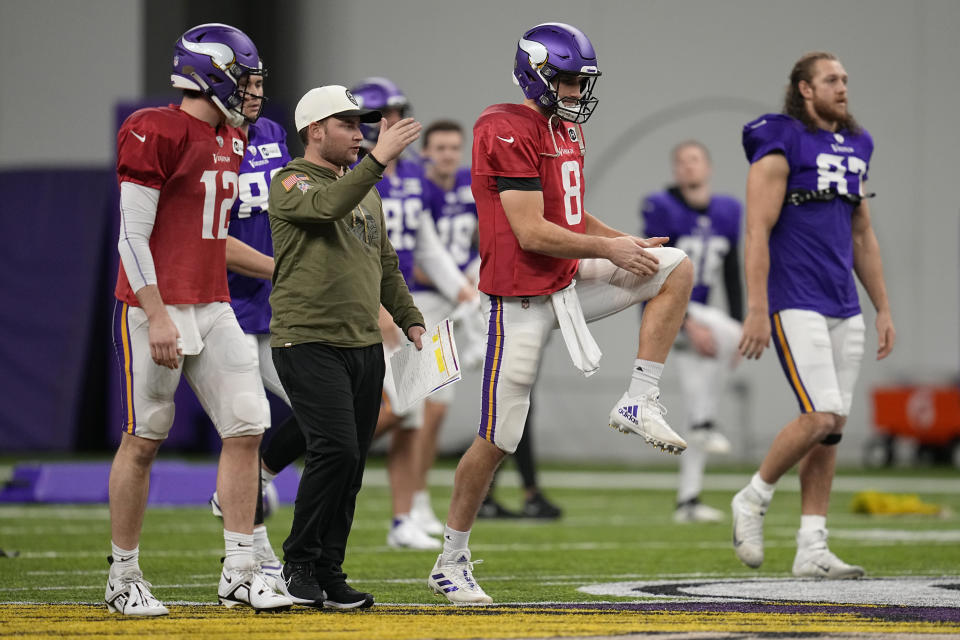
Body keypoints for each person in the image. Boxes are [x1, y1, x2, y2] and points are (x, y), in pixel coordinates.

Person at [426, 22, 694, 604]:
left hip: (565, 283)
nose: (574, 91)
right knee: (499, 438)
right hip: (518, 298)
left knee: (673, 265)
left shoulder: (563, 130)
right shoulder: (502, 127)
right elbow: (530, 231)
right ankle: (451, 559)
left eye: (580, 81)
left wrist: (626, 241)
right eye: (566, 80)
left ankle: (639, 397)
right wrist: (610, 250)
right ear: (537, 74)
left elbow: (571, 213)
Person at [107, 23, 292, 615]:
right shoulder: (152, 128)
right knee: (144, 440)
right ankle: (123, 576)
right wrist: (157, 314)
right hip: (152, 306)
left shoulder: (232, 137)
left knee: (247, 424)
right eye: (243, 78)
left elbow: (212, 237)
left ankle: (241, 567)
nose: (251, 91)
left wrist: (276, 269)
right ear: (210, 74)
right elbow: (131, 237)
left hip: (213, 304)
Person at [732, 51, 895, 578]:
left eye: (846, 78)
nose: (843, 87)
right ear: (804, 88)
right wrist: (757, 306)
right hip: (794, 296)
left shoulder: (857, 144)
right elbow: (756, 228)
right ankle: (753, 498)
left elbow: (863, 233)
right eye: (831, 79)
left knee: (832, 430)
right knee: (820, 412)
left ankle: (812, 546)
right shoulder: (780, 137)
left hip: (843, 302)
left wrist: (883, 307)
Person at [268, 84, 426, 608]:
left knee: (352, 462)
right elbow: (327, 207)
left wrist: (411, 321)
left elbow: (386, 264)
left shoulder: (366, 188)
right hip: (307, 337)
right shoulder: (290, 180)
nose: (361, 136)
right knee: (333, 449)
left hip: (363, 344)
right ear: (316, 131)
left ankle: (329, 569)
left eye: (363, 126)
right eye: (349, 125)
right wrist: (378, 161)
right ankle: (298, 560)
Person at [349, 80, 476, 551]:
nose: (396, 122)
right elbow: (346, 252)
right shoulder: (351, 175)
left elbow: (427, 245)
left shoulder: (412, 181)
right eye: (387, 113)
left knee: (413, 416)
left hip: (400, 306)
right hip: (361, 307)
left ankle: (403, 518)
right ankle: (314, 452)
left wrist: (463, 290)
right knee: (400, 411)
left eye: (400, 112)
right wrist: (377, 305)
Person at [206, 71, 293, 588]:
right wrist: (282, 269)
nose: (256, 92)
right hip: (220, 302)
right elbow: (211, 235)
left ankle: (249, 483)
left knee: (332, 411)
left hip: (273, 301)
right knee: (245, 424)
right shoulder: (205, 143)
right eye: (246, 83)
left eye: (262, 83)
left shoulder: (272, 134)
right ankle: (253, 552)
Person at [640, 141, 744, 524]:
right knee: (702, 405)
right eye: (680, 161)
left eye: (694, 160)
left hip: (704, 316)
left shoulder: (729, 211)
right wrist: (686, 324)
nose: (687, 167)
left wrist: (738, 327)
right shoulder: (661, 207)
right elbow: (651, 271)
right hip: (667, 310)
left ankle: (688, 500)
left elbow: (732, 272)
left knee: (700, 406)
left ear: (709, 167)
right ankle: (704, 423)